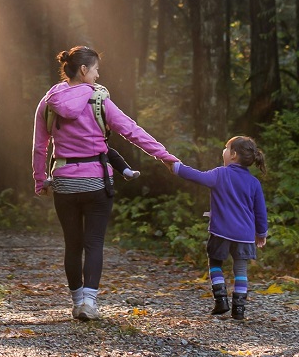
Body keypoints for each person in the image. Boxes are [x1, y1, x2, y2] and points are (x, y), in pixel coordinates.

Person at [32, 45, 178, 321]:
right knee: (94, 243)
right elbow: (132, 131)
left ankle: (77, 303)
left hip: (64, 182)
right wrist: (165, 157)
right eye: (96, 69)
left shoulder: (48, 101)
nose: (98, 75)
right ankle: (89, 302)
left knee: (72, 244)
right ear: (84, 70)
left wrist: (41, 180)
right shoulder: (99, 100)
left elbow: (40, 147)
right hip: (97, 182)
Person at [171, 135, 268, 320]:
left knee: (215, 263)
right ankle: (239, 309)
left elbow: (197, 176)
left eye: (226, 148)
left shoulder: (220, 174)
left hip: (221, 231)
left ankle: (221, 300)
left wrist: (176, 167)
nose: (223, 151)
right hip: (245, 235)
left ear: (233, 155)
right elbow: (260, 211)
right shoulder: (254, 183)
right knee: (241, 270)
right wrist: (261, 233)